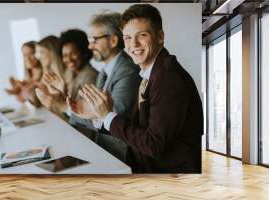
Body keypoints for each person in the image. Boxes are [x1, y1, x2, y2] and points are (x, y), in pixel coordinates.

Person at [81, 4, 204, 173]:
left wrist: (107, 116)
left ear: (160, 36)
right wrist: (102, 115)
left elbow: (153, 145)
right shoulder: (152, 71)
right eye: (128, 38)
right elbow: (139, 128)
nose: (134, 44)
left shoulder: (168, 79)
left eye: (142, 35)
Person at [66, 12, 141, 162]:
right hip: (103, 146)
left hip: (121, 154)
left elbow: (114, 116)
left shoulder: (128, 70)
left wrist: (88, 112)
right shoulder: (104, 71)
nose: (89, 45)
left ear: (113, 41)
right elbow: (99, 112)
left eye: (94, 39)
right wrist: (89, 111)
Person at [36, 29, 97, 117]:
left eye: (74, 53)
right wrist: (61, 93)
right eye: (65, 55)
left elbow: (83, 116)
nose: (69, 59)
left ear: (83, 52)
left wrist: (60, 99)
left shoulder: (90, 76)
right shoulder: (73, 74)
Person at [5, 41, 43, 106]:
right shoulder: (29, 74)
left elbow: (38, 102)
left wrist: (26, 89)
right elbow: (22, 100)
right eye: (25, 55)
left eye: (31, 53)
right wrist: (17, 90)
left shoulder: (46, 74)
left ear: (38, 53)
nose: (27, 58)